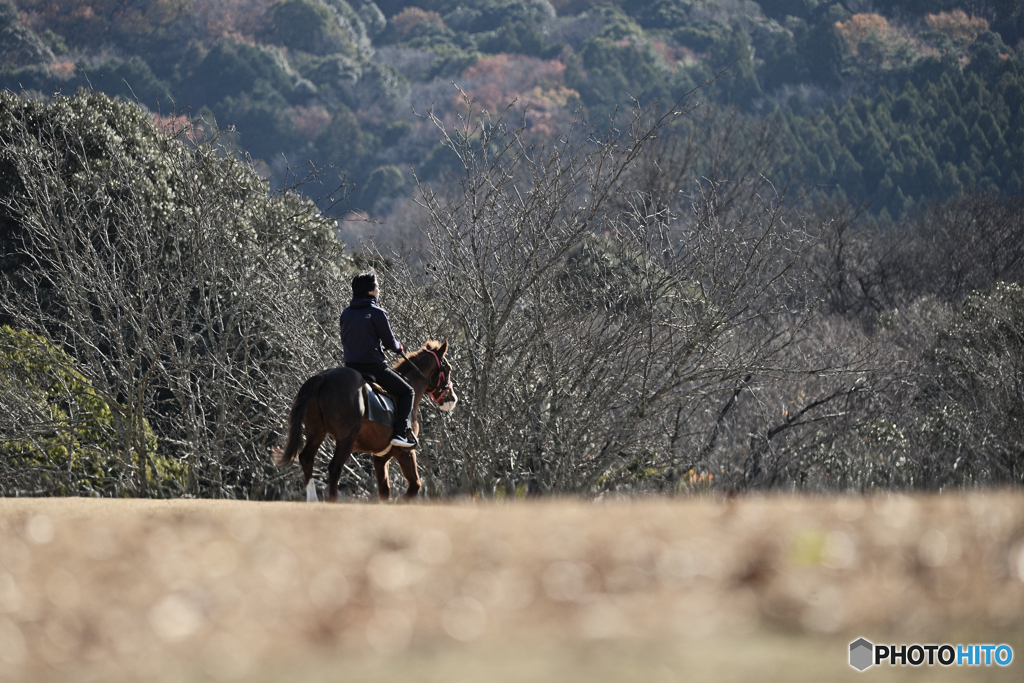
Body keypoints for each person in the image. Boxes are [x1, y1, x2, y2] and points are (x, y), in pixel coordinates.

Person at [340, 270, 417, 448]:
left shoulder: (346, 313)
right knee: (408, 392)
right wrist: (399, 347)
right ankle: (399, 434)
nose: (379, 290)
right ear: (370, 290)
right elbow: (391, 343)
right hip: (373, 367)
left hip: (350, 368)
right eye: (377, 287)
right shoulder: (377, 312)